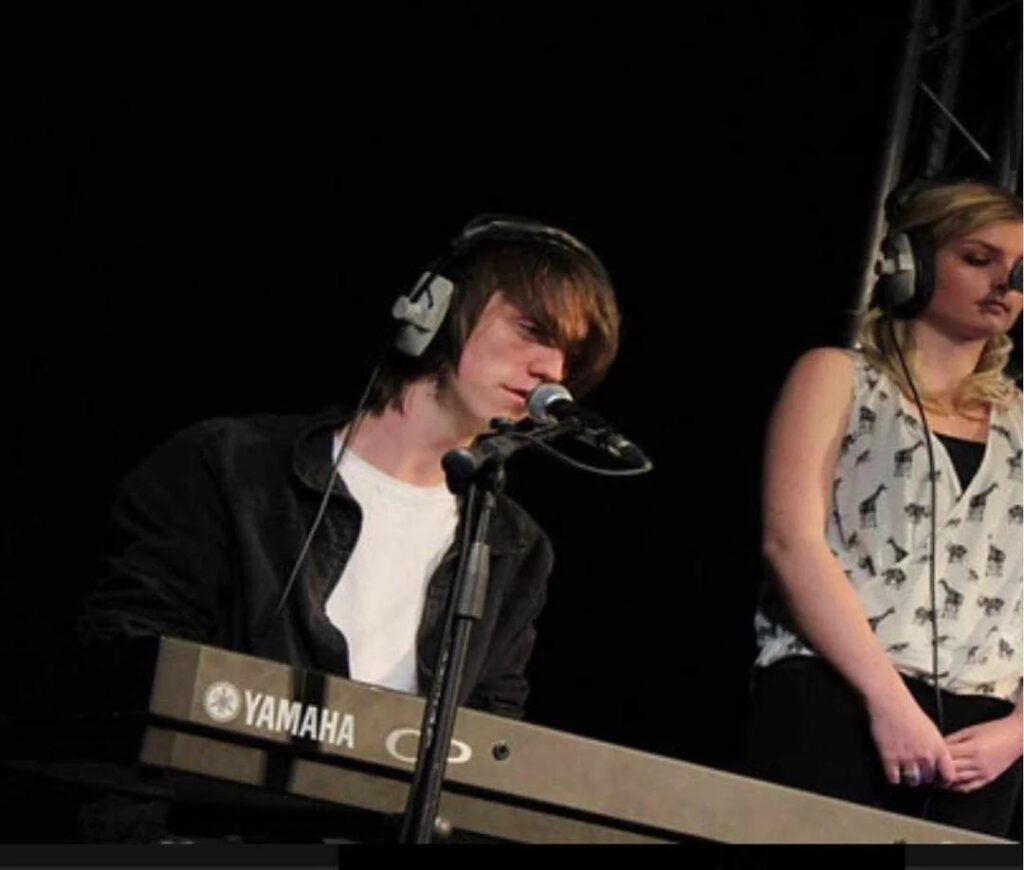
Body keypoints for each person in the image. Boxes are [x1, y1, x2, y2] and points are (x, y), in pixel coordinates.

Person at [76, 215, 621, 721]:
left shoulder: (517, 548)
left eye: (569, 356)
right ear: (434, 311)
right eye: (533, 330)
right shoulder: (229, 466)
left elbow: (489, 738)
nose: (552, 369)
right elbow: (133, 656)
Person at [746, 181, 1023, 838]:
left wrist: (1017, 732)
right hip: (836, 696)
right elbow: (792, 543)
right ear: (911, 263)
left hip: (984, 743)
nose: (1004, 284)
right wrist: (889, 703)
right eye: (978, 258)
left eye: (1019, 271)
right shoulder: (836, 376)